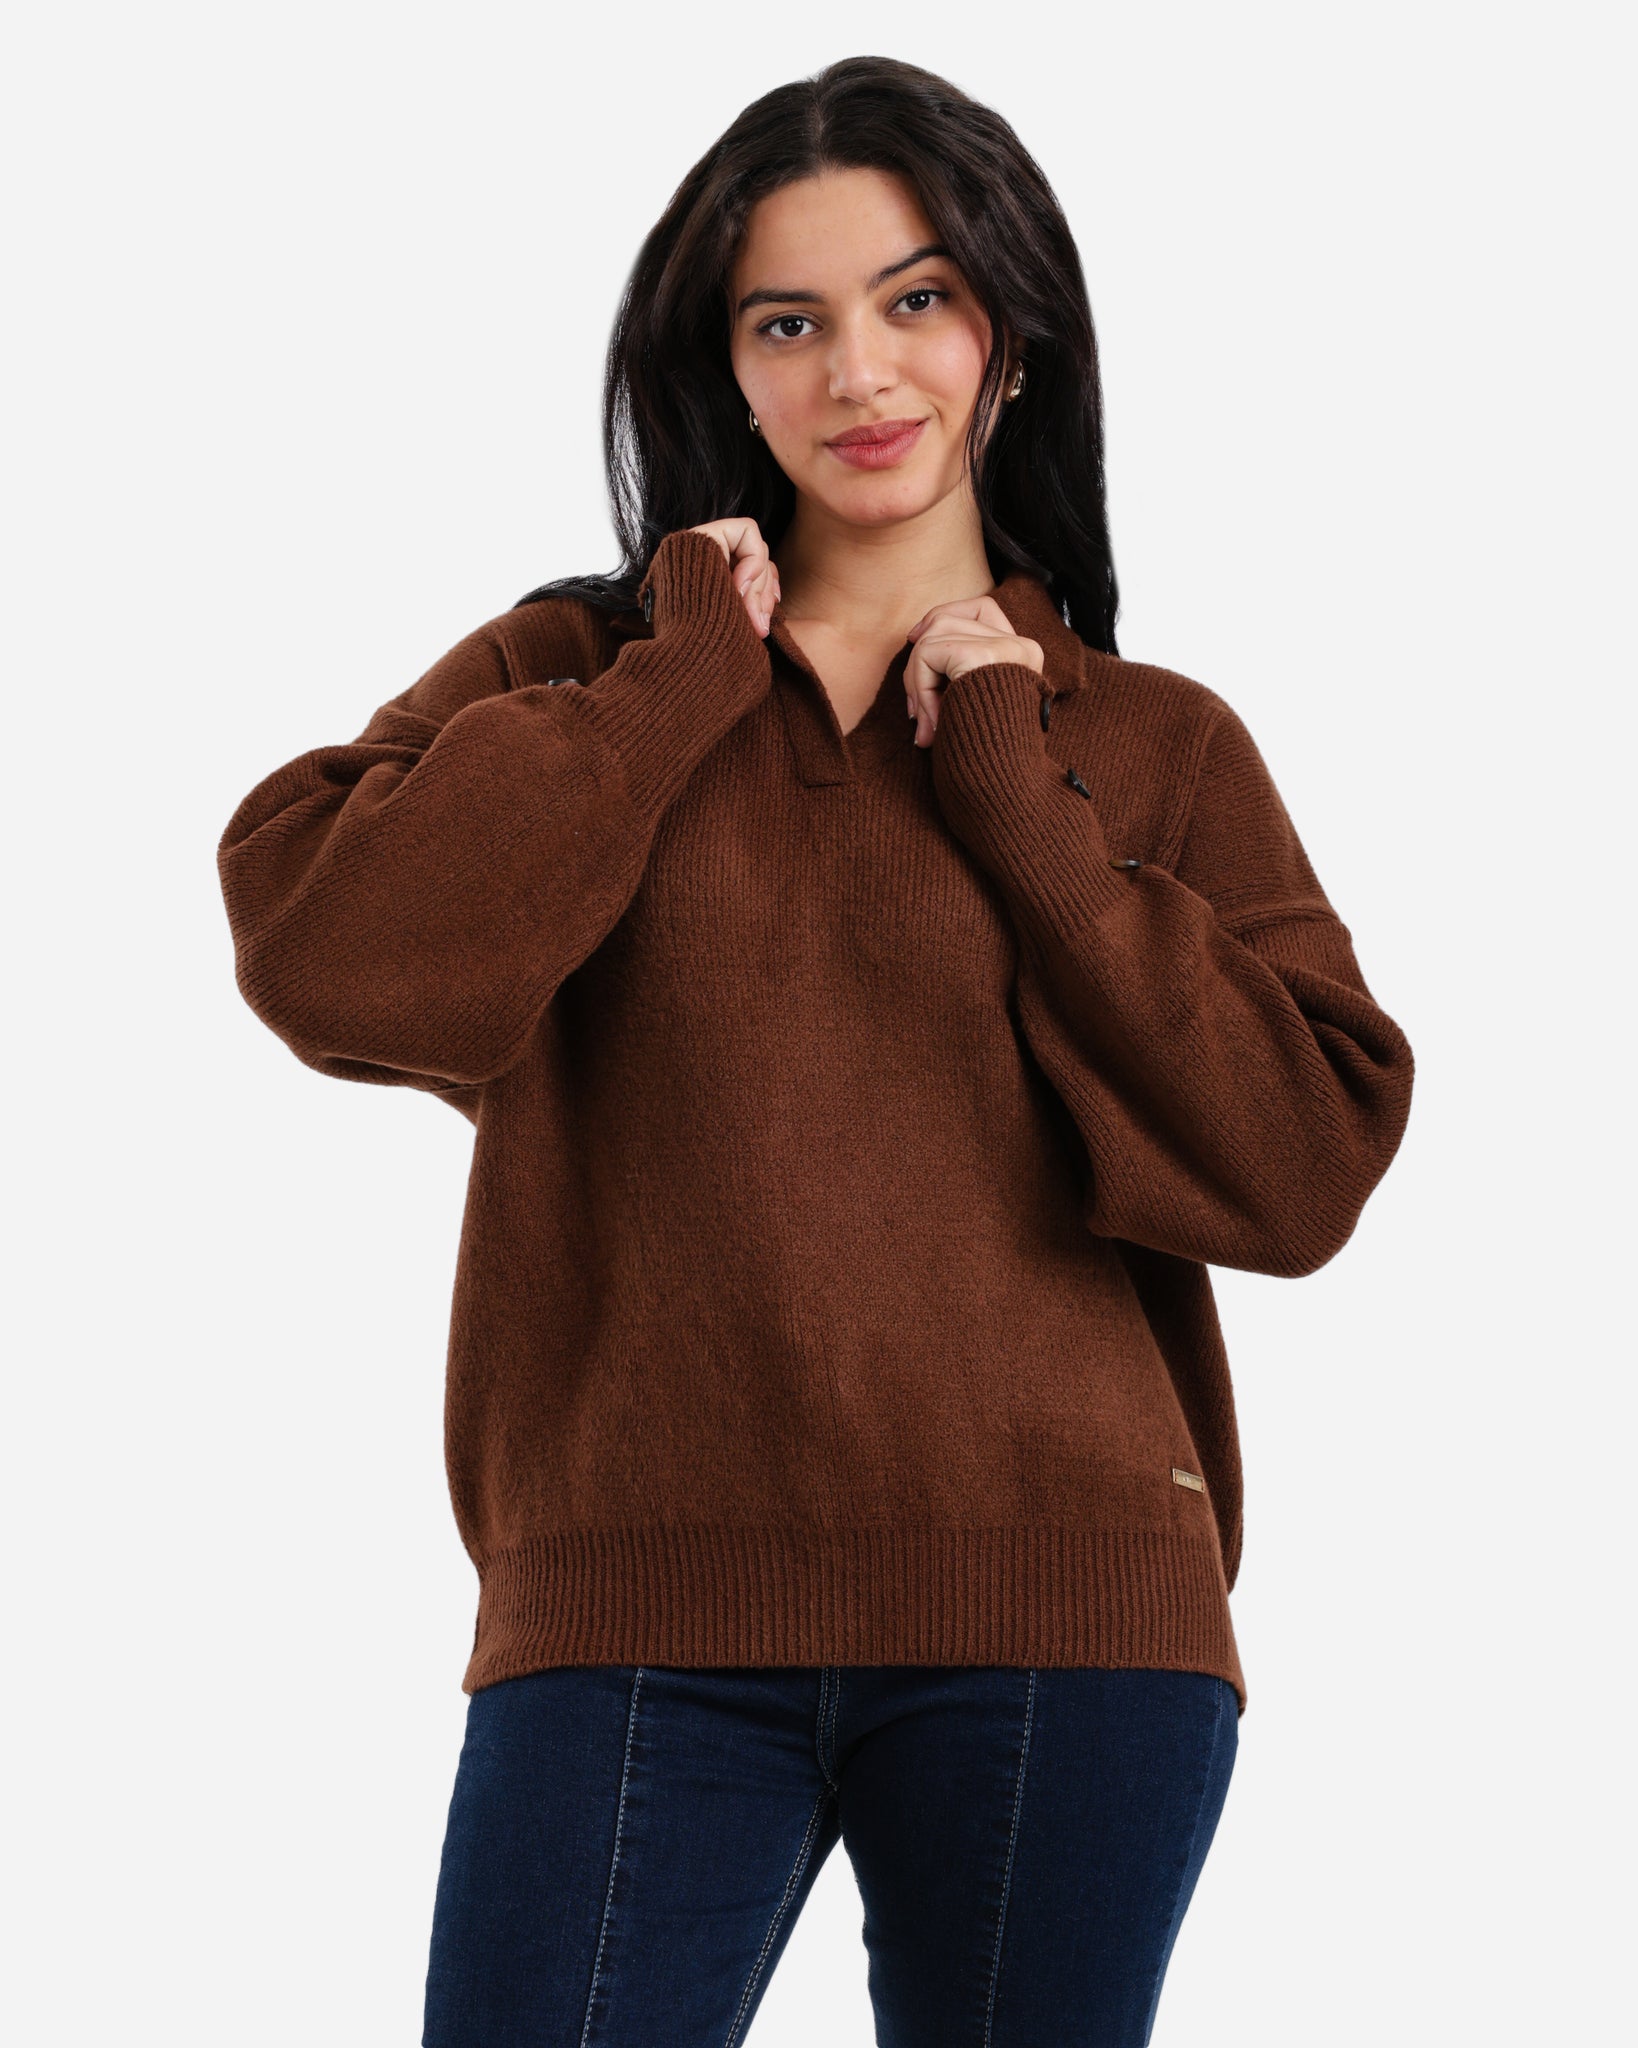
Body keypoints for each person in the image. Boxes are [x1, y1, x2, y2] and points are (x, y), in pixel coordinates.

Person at [216, 53, 1414, 2048]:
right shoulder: (585, 675)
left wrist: (1021, 800)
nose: (859, 371)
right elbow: (328, 952)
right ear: (723, 369)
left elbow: (1297, 1165)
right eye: (789, 321)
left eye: (914, 299)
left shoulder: (1151, 742)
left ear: (1011, 335)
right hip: (634, 1615)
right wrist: (678, 678)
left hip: (1064, 1621)